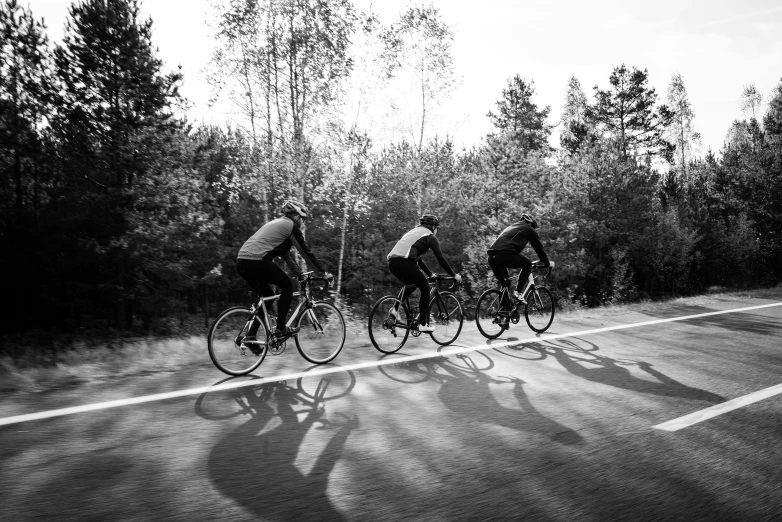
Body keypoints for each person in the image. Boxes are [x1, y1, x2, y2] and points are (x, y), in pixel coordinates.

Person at [236, 199, 332, 343]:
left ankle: (250, 336)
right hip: (256, 260)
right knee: (287, 286)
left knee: (267, 296)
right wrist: (322, 273)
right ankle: (281, 329)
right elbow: (305, 252)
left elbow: (286, 255)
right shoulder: (291, 226)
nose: (303, 223)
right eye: (303, 219)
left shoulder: (278, 224)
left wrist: (299, 274)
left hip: (242, 261)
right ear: (296, 216)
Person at [387, 214, 462, 332]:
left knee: (410, 284)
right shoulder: (430, 236)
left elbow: (418, 259)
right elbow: (441, 259)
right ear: (433, 226)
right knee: (425, 289)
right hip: (405, 262)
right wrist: (454, 275)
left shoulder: (413, 232)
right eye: (436, 227)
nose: (436, 230)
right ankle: (422, 324)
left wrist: (430, 273)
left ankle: (395, 310)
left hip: (392, 263)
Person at [487, 212, 552, 306]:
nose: (533, 228)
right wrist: (546, 262)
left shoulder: (511, 227)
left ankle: (502, 314)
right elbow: (538, 247)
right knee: (527, 264)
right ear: (531, 223)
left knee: (506, 283)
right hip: (505, 254)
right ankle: (518, 292)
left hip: (491, 256)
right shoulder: (529, 229)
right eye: (533, 226)